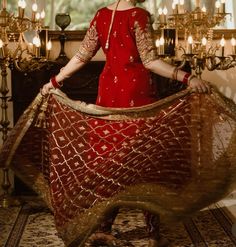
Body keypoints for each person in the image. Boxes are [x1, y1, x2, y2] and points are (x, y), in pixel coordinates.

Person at [42, 0, 210, 246]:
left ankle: (104, 228)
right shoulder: (138, 15)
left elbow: (81, 56)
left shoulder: (101, 15)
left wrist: (54, 81)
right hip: (136, 93)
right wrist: (187, 77)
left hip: (108, 93)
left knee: (109, 159)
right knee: (145, 160)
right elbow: (150, 61)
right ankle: (152, 232)